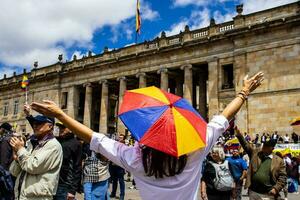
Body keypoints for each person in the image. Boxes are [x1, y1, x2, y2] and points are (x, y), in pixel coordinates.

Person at [30, 72, 264, 200]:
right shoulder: (198, 145)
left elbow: (95, 139)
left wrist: (60, 113)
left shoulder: (136, 159)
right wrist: (244, 92)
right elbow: (223, 118)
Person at [9, 114, 63, 199]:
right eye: (34, 123)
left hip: (37, 197)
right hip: (21, 195)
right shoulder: (31, 143)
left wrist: (20, 149)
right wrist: (16, 159)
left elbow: (32, 166)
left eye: (39, 123)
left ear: (50, 126)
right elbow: (14, 172)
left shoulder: (53, 145)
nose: (35, 126)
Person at [235, 128, 287, 200]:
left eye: (266, 146)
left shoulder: (279, 161)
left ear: (272, 148)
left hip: (268, 194)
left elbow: (283, 177)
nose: (263, 147)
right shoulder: (256, 154)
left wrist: (276, 188)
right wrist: (239, 135)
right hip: (254, 192)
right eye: (264, 145)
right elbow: (246, 146)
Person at [54, 122, 83, 200]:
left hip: (65, 186)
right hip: (53, 182)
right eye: (60, 128)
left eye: (63, 127)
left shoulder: (76, 144)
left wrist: (72, 191)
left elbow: (77, 168)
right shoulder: (57, 140)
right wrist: (29, 116)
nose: (60, 130)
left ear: (71, 129)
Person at [0, 122, 14, 199]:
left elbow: (4, 158)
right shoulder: (12, 137)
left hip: (5, 172)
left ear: (3, 129)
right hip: (11, 169)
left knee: (5, 194)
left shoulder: (5, 140)